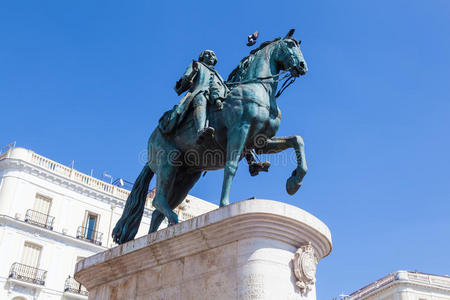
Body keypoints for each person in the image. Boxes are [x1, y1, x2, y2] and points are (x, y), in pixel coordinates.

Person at [174, 50, 228, 144]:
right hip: (200, 92)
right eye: (208, 54)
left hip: (217, 97)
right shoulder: (197, 65)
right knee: (201, 98)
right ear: (202, 57)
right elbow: (182, 85)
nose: (211, 55)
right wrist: (193, 72)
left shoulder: (218, 75)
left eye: (213, 54)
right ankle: (200, 131)